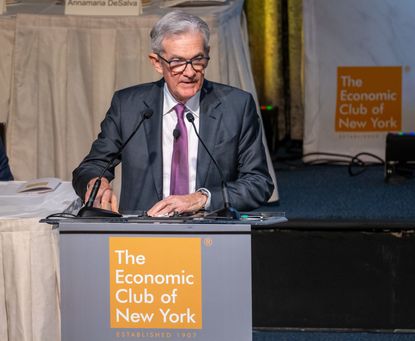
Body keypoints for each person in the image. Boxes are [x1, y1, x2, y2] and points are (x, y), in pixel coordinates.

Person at [72, 11, 273, 216]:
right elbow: (93, 166)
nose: (189, 72)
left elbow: (258, 183)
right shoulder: (129, 106)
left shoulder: (236, 106)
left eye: (197, 60)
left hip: (210, 233)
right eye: (177, 62)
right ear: (157, 62)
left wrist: (203, 198)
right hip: (141, 235)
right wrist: (96, 183)